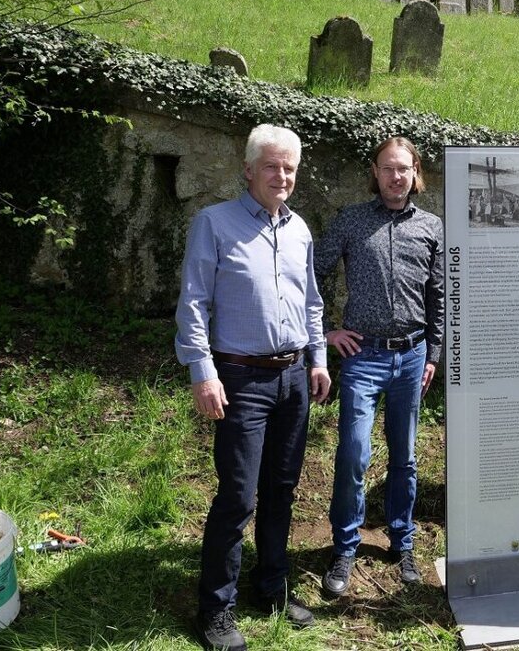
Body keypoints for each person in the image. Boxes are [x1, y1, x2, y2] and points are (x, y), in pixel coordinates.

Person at [175, 124, 331, 651]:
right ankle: (216, 609)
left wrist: (317, 359)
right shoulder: (214, 224)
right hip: (240, 377)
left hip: (293, 378)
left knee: (282, 489)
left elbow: (312, 301)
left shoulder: (300, 230)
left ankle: (270, 586)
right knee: (238, 495)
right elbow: (194, 302)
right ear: (248, 169)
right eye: (271, 166)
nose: (282, 176)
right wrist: (203, 372)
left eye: (289, 167)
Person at [315, 136, 444, 598]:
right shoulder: (351, 221)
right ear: (375, 171)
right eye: (387, 168)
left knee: (405, 456)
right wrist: (326, 331)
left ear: (415, 173)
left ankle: (401, 541)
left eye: (403, 169)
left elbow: (440, 296)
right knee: (354, 453)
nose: (395, 177)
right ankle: (345, 546)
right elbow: (311, 272)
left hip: (411, 357)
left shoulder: (432, 227)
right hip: (362, 357)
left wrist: (433, 355)